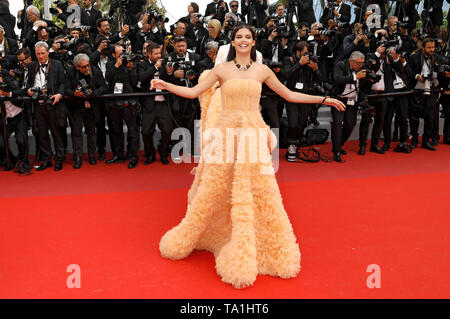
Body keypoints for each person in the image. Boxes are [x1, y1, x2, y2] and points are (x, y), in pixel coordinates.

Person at [150, 24, 345, 289]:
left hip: (252, 135)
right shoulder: (221, 70)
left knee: (259, 190)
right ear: (232, 41)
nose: (243, 40)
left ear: (254, 42)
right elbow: (194, 92)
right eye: (239, 37)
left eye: (247, 37)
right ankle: (215, 232)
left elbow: (288, 94)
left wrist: (323, 99)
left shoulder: (262, 70)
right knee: (215, 187)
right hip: (224, 134)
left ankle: (250, 239)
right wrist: (165, 84)